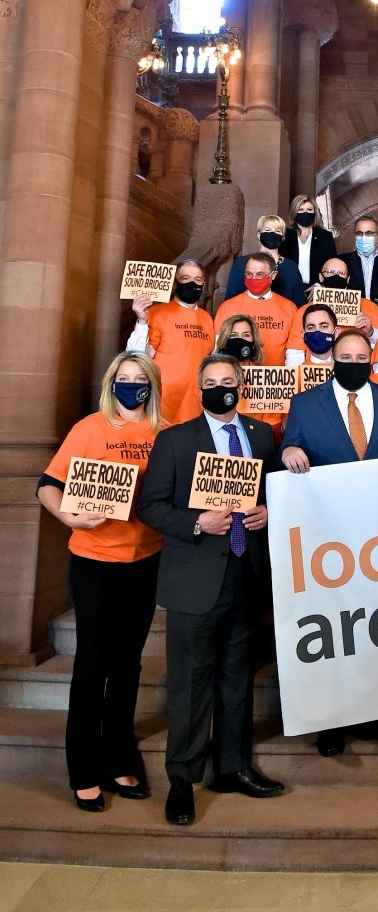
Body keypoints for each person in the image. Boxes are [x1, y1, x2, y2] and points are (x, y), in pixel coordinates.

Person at [137, 353, 283, 826]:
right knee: (189, 683)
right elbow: (152, 507)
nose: (222, 388)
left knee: (236, 677)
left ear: (242, 386)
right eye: (212, 382)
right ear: (200, 389)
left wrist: (267, 511)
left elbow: (273, 492)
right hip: (195, 580)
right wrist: (197, 522)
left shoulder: (261, 435)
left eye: (229, 381)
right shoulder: (176, 441)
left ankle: (233, 767)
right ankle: (182, 778)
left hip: (247, 574)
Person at [37, 352, 166, 812]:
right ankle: (83, 768)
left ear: (152, 385)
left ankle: (118, 756)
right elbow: (47, 484)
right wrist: (70, 515)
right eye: (123, 378)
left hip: (145, 559)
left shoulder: (162, 433)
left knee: (128, 663)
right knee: (93, 661)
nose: (131, 385)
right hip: (94, 560)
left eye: (140, 379)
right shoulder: (91, 427)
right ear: (112, 383)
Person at [280, 330, 378, 757]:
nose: (353, 362)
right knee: (334, 631)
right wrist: (289, 451)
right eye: (345, 356)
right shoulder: (305, 402)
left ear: (372, 359)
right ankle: (331, 722)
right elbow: (291, 444)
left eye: (361, 356)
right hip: (327, 541)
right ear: (333, 359)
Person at [127, 258, 214, 423]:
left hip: (194, 403)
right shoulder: (157, 313)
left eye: (197, 279)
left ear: (203, 284)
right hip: (161, 402)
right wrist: (142, 320)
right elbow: (138, 357)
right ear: (175, 284)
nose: (192, 283)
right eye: (185, 278)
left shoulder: (207, 318)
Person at [214, 253, 295, 365]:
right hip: (240, 377)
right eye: (249, 274)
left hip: (276, 379)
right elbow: (217, 348)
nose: (254, 278)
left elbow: (294, 351)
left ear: (273, 275)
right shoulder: (228, 307)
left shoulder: (289, 308)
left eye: (260, 274)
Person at [215, 314, 284, 438]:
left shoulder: (266, 378)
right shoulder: (208, 375)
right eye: (233, 335)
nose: (240, 340)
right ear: (224, 342)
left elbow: (273, 427)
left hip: (256, 443)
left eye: (246, 335)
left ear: (253, 343)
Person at [225, 215, 305, 308]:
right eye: (267, 230)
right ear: (259, 235)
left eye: (277, 231)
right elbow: (230, 300)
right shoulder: (241, 263)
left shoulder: (291, 267)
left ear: (282, 237)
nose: (272, 234)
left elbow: (299, 303)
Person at [310, 256, 378, 345]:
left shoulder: (369, 306)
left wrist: (370, 331)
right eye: (330, 272)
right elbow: (296, 350)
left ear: (348, 278)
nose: (336, 276)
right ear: (321, 277)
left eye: (341, 273)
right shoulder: (308, 310)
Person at [279, 194, 337, 287]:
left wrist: (319, 284)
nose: (305, 213)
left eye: (309, 210)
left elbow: (332, 263)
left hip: (316, 289)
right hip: (289, 287)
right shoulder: (285, 235)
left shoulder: (325, 236)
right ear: (294, 212)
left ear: (315, 212)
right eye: (301, 210)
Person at [286, 303, 338, 368]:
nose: (317, 332)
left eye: (324, 326)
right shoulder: (296, 374)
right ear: (303, 335)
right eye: (311, 328)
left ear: (336, 332)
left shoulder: (349, 371)